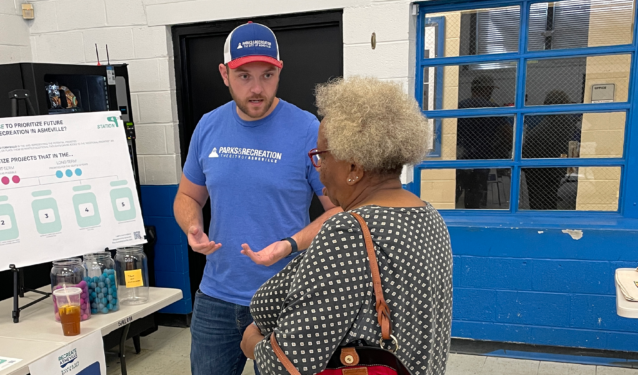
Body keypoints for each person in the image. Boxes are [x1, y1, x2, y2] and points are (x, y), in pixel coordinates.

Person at [240, 77, 453, 375]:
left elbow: (284, 364)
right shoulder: (431, 218)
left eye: (321, 156)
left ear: (353, 168)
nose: (319, 170)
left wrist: (251, 343)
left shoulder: (350, 230)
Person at [173, 22, 341, 375]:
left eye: (267, 75)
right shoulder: (208, 126)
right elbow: (188, 195)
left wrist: (290, 244)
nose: (256, 88)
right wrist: (192, 227)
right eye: (244, 76)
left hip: (286, 296)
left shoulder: (308, 129)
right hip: (216, 296)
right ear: (225, 74)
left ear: (279, 71)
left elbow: (338, 211)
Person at [456, 75, 513, 208]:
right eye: (491, 89)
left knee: (454, 196)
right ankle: (473, 224)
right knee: (476, 199)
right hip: (482, 160)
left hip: (460, 160)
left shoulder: (460, 107)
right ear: (486, 89)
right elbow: (508, 134)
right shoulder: (493, 109)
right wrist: (500, 149)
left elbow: (444, 134)